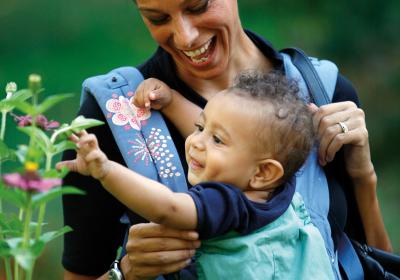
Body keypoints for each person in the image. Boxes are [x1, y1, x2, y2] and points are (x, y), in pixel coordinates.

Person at [61, 0, 392, 279]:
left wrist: (363, 177)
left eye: (198, 6)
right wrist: (125, 272)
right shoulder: (115, 115)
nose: (185, 36)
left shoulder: (324, 93)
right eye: (158, 18)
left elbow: (373, 262)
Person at [59, 71, 335, 279]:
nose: (196, 142)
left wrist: (105, 170)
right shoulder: (281, 189)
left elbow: (168, 207)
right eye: (199, 127)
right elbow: (232, 131)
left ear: (263, 172)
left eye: (216, 140)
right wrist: (171, 101)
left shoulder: (224, 201)